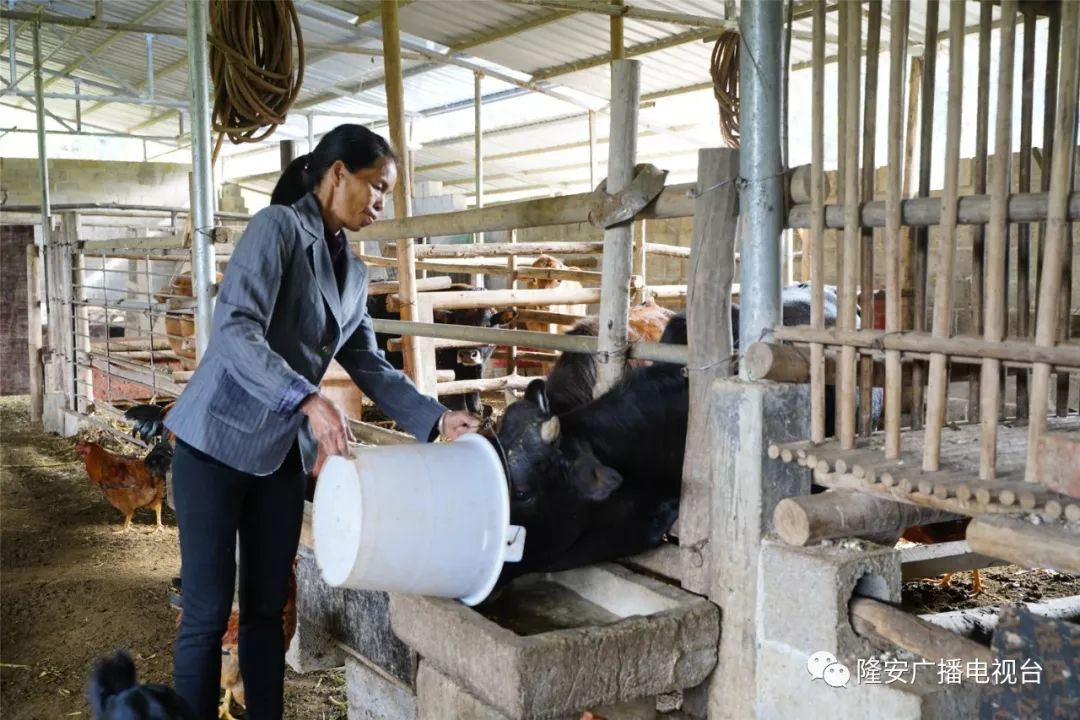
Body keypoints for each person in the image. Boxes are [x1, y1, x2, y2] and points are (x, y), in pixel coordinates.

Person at [164, 123, 480, 719]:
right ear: (338, 174)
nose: (381, 203)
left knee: (267, 607)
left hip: (276, 454)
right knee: (208, 612)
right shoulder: (277, 228)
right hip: (214, 442)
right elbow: (234, 329)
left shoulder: (355, 274)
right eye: (376, 186)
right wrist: (306, 398)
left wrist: (437, 420)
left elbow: (366, 361)